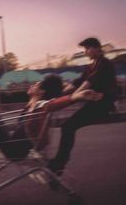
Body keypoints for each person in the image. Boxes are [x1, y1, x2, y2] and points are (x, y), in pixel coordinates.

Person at [47, 37, 117, 174]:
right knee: (68, 128)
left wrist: (72, 97)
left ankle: (59, 164)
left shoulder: (105, 64)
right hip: (94, 104)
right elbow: (77, 82)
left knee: (68, 127)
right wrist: (58, 95)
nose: (86, 52)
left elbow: (89, 82)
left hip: (102, 105)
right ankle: (59, 164)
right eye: (85, 49)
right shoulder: (91, 66)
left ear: (97, 48)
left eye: (88, 48)